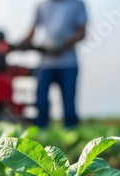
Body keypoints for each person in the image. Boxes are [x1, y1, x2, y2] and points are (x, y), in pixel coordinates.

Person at [20, 0, 88, 128]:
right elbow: (31, 33)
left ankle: (71, 136)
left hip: (68, 63)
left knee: (69, 105)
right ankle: (41, 135)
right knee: (41, 103)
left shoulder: (77, 4)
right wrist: (17, 45)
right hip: (45, 64)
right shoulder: (41, 6)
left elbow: (82, 33)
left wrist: (62, 44)